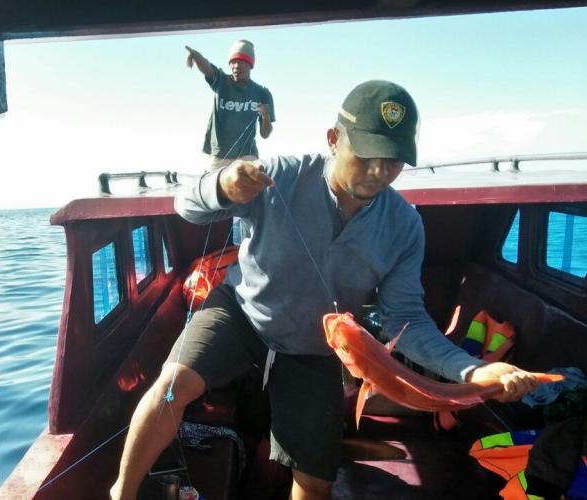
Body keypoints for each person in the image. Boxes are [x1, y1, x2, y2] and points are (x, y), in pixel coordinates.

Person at [110, 80, 542, 500]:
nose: (378, 171)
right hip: (241, 314)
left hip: (317, 348)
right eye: (367, 154)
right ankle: (120, 494)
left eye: (393, 160)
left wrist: (472, 372)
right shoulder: (280, 175)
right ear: (334, 138)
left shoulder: (404, 225)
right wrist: (221, 185)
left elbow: (406, 320)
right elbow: (186, 206)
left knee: (316, 483)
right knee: (171, 386)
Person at [186, 40, 275, 170]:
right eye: (233, 62)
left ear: (250, 65)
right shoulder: (221, 81)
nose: (236, 66)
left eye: (242, 61)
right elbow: (208, 68)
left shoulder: (262, 93)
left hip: (248, 156)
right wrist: (196, 56)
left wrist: (266, 115)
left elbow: (265, 134)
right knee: (215, 189)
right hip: (220, 156)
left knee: (255, 185)